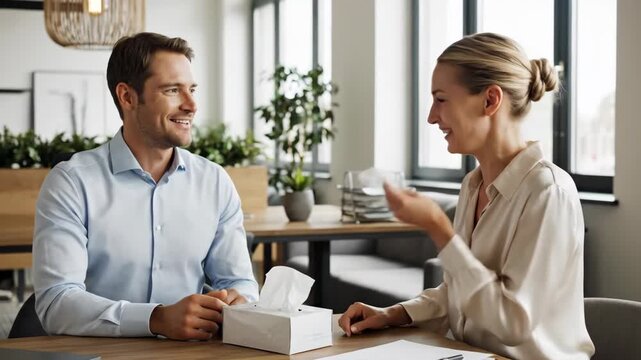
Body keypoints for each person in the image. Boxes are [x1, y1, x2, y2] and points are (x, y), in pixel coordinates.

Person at [338, 33, 595, 359]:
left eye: (441, 99)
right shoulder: (472, 186)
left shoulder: (548, 193)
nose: (431, 116)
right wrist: (394, 314)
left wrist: (439, 229)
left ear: (490, 100)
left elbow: (513, 324)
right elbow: (462, 291)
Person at [33, 32, 259, 340]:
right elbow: (56, 303)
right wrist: (156, 319)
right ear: (127, 97)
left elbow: (241, 283)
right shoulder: (72, 182)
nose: (191, 105)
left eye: (192, 89)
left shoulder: (214, 182)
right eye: (172, 90)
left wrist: (238, 301)